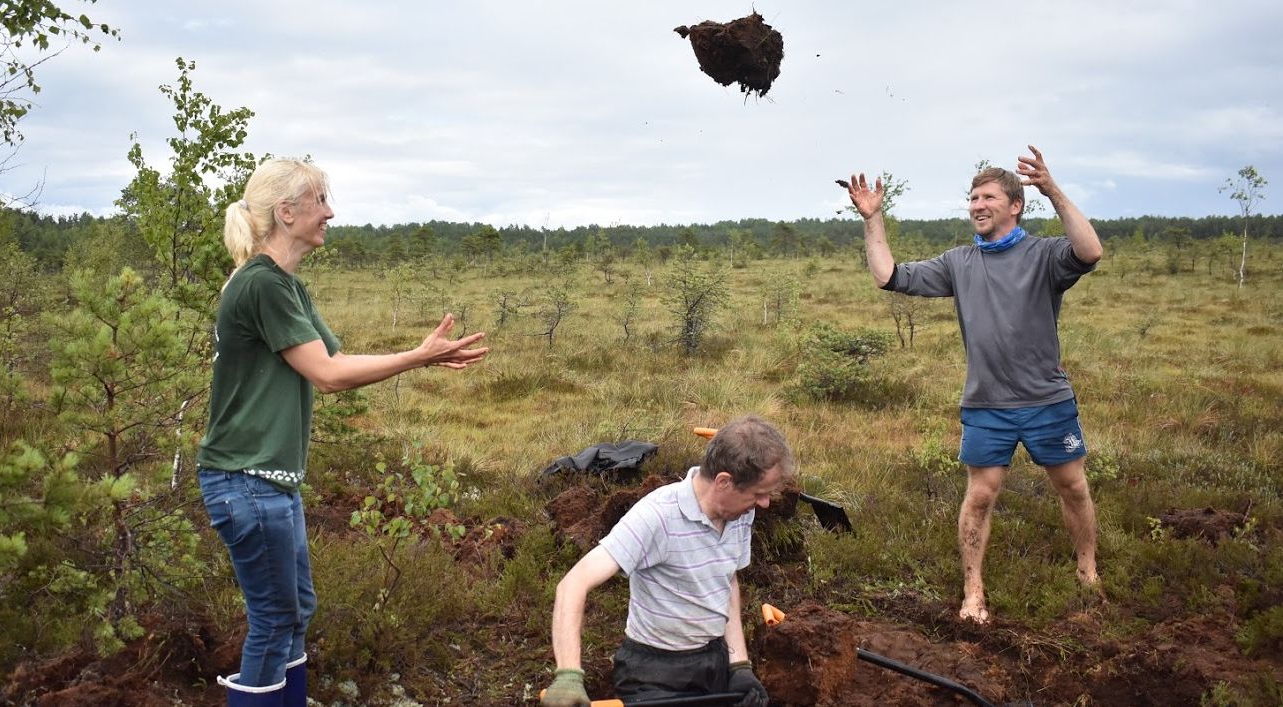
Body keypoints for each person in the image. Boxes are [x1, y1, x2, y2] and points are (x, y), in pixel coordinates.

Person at [196, 158, 489, 705]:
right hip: (245, 481)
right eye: (319, 200)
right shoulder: (261, 283)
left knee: (294, 612)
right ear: (286, 212)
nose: (330, 211)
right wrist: (416, 357)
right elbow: (328, 377)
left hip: (268, 482)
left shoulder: (288, 288)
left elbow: (336, 358)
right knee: (274, 617)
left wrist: (419, 357)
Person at [845, 145, 1103, 624]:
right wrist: (873, 218)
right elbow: (888, 276)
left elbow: (1090, 251)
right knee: (980, 495)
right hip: (987, 403)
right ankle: (973, 592)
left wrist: (1052, 189)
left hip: (1048, 398)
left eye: (987, 197)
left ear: (1015, 205)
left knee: (1072, 486)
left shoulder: (1045, 254)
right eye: (972, 198)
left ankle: (1087, 571)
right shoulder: (958, 263)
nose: (976, 205)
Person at [542, 415, 790, 707]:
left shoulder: (740, 513)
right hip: (653, 673)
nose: (765, 504)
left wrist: (739, 666)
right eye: (759, 494)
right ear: (724, 481)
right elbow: (573, 584)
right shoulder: (656, 516)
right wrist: (568, 675)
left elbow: (726, 580)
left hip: (712, 660)